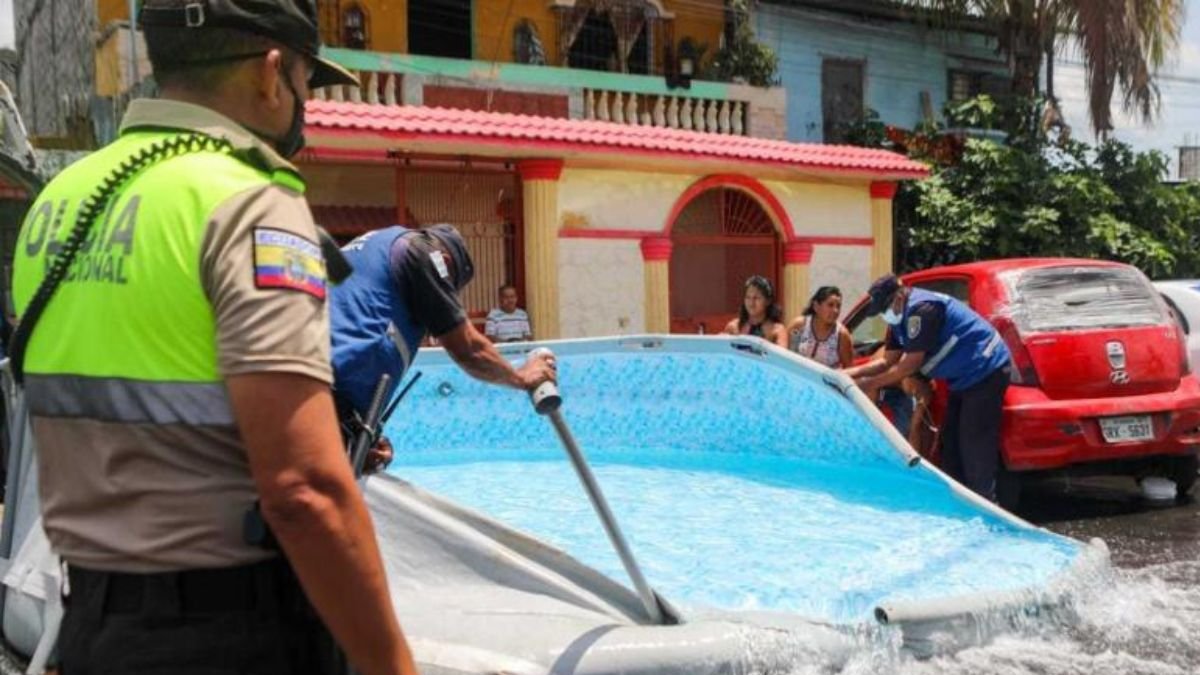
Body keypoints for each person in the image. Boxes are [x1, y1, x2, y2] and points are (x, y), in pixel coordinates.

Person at [10, 1, 417, 673]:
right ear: (271, 72)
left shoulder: (58, 201)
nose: (306, 106)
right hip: (234, 635)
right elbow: (302, 490)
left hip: (90, 624)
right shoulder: (249, 202)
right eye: (308, 84)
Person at [330, 224, 555, 470]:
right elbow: (469, 349)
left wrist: (363, 436)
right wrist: (521, 376)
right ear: (446, 259)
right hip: (330, 395)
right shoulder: (422, 251)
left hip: (307, 388)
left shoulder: (369, 250)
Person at [845, 275, 1011, 502]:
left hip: (985, 370)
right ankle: (958, 503)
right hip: (962, 379)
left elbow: (909, 364)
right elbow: (886, 361)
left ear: (900, 294)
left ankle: (986, 505)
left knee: (974, 444)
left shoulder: (922, 309)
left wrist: (866, 385)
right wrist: (846, 376)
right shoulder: (898, 320)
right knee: (950, 445)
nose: (885, 314)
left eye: (886, 307)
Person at [786, 285, 852, 369]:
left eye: (838, 306)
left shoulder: (841, 335)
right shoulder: (799, 326)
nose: (835, 310)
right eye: (830, 305)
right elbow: (786, 354)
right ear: (816, 306)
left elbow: (849, 368)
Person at [723, 275, 788, 348]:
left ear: (768, 301)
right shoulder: (733, 327)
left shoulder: (777, 331)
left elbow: (782, 357)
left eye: (756, 298)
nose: (751, 303)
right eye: (748, 297)